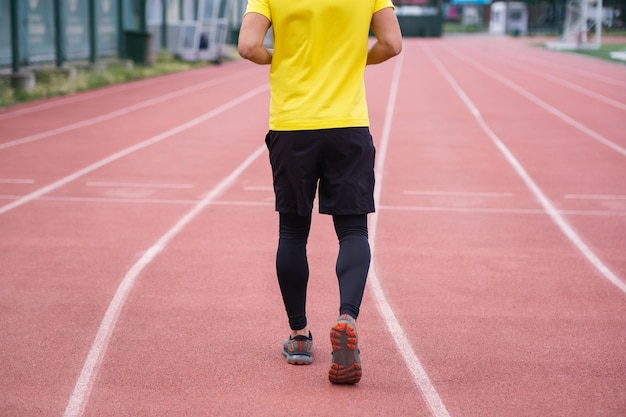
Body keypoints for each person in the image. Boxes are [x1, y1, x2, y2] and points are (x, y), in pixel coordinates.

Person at [238, 0, 402, 384]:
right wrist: (353, 61)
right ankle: (347, 317)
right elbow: (392, 44)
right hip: (347, 124)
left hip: (292, 123)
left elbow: (248, 47)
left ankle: (298, 336)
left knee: (293, 233)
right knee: (353, 232)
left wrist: (277, 58)